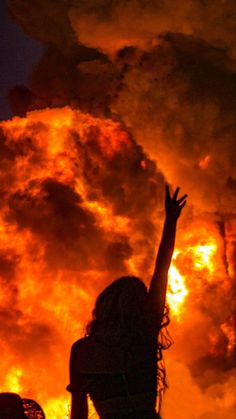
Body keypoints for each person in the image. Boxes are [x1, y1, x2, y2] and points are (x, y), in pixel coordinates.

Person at [67, 186, 187, 419]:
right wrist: (171, 221)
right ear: (138, 310)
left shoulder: (82, 350)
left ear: (103, 307)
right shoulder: (142, 338)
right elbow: (161, 271)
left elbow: (78, 410)